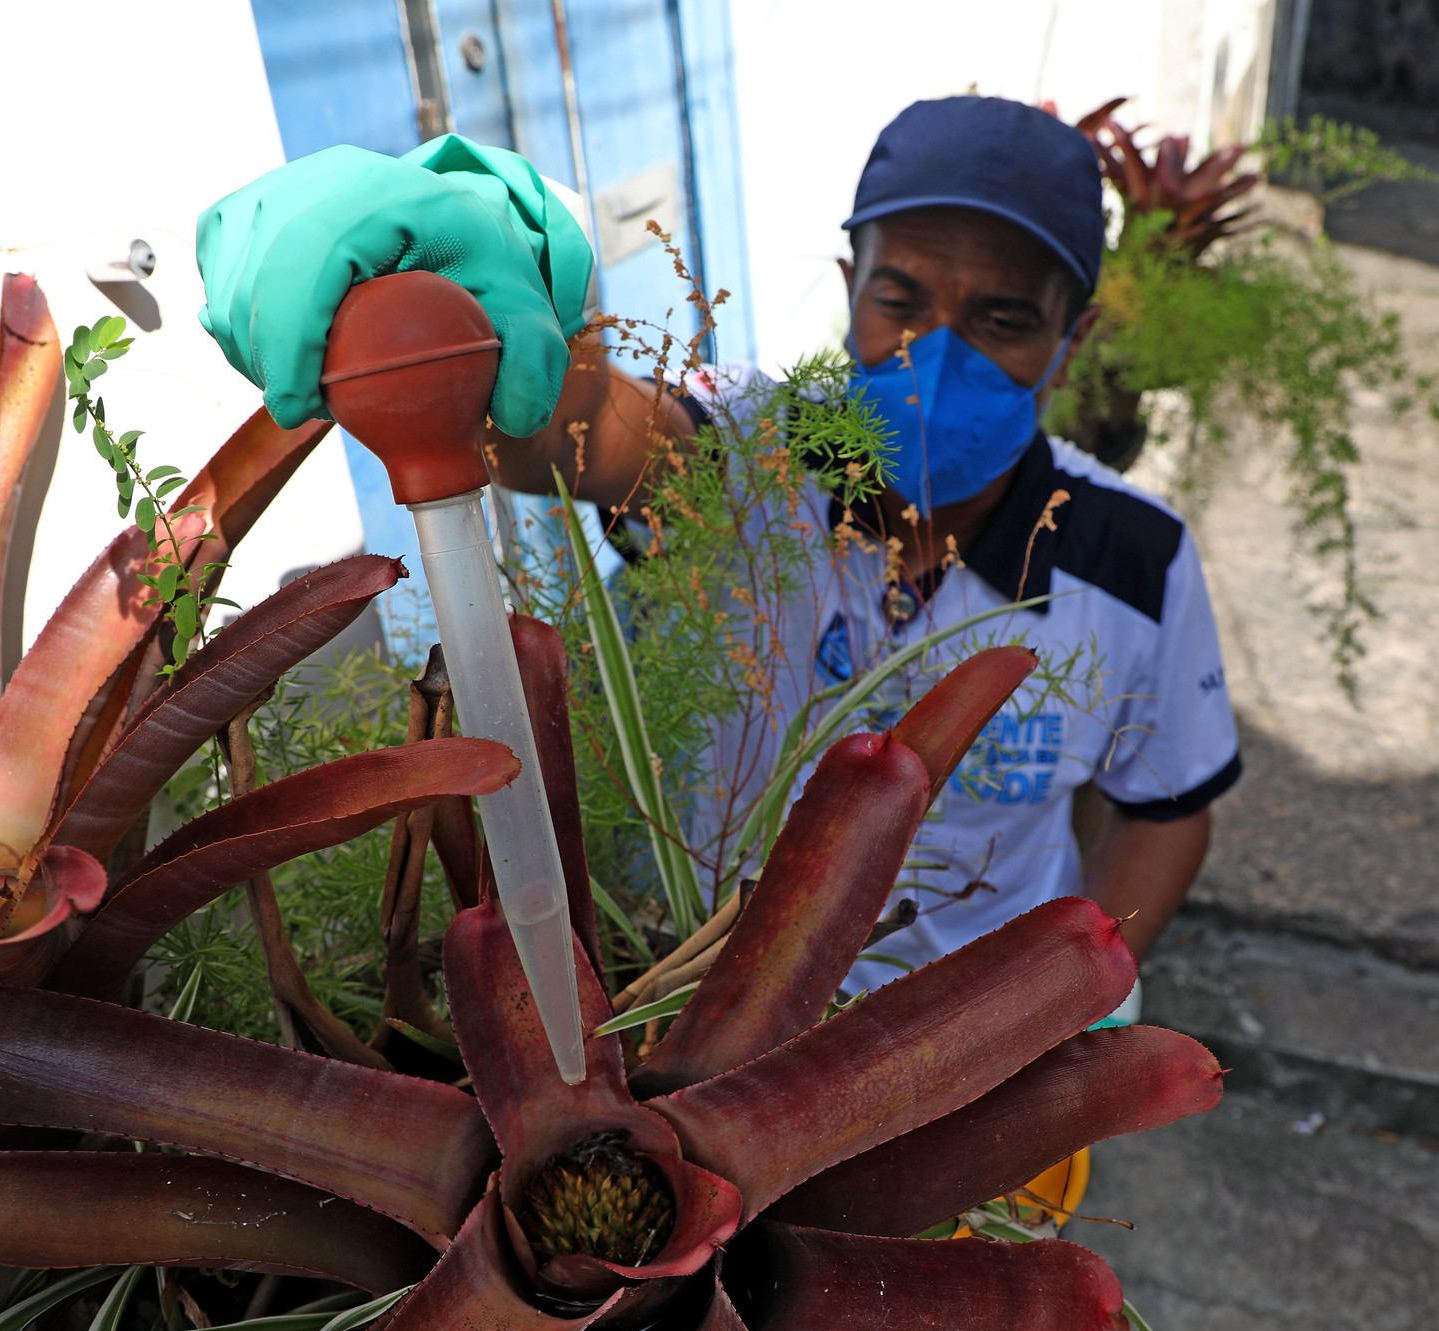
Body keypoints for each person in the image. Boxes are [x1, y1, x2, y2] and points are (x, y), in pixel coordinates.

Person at [197, 95, 1240, 1012]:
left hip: (957, 1034)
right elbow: (575, 432)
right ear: (849, 286)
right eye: (900, 301)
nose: (934, 352)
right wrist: (497, 294)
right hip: (709, 1001)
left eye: (1002, 320)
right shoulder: (751, 452)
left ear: (1075, 337)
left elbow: (1165, 810)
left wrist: (1072, 992)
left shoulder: (1132, 561)